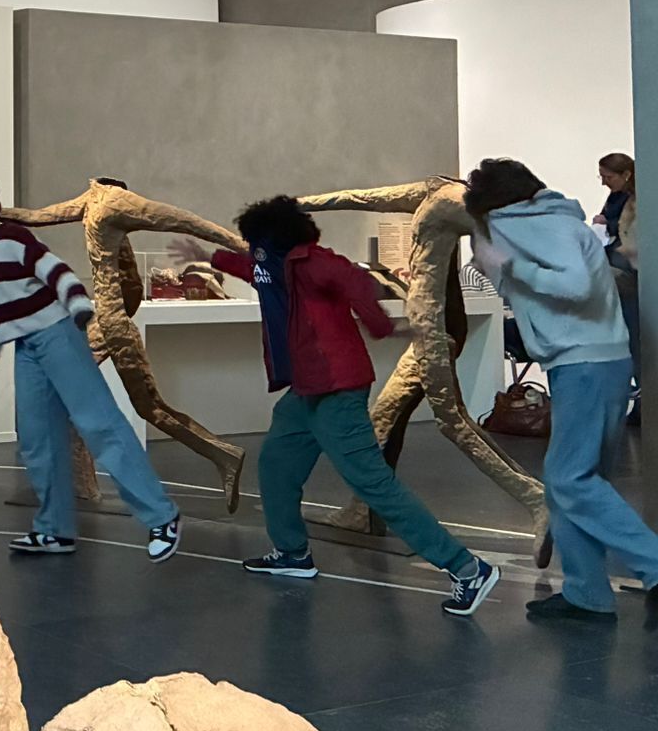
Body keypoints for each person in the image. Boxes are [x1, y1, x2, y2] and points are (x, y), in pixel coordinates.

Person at [172, 198, 500, 617]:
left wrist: (382, 326)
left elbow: (356, 281)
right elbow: (252, 270)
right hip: (305, 390)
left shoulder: (316, 263)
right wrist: (210, 258)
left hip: (338, 390)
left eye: (255, 243)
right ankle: (292, 553)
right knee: (275, 466)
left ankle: (467, 568)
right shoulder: (275, 264)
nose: (252, 250)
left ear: (274, 240)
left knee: (373, 484)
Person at [466, 158, 658, 627]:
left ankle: (650, 565)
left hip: (583, 362)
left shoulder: (529, 225)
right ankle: (586, 592)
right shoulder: (556, 219)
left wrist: (508, 265)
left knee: (570, 478)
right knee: (571, 481)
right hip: (596, 359)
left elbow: (574, 285)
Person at [0, 177, 182, 561]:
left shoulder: (14, 237)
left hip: (56, 334)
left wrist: (78, 304)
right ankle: (54, 529)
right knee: (38, 439)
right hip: (26, 349)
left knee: (99, 422)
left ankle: (162, 516)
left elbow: (55, 270)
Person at [598, 153, 639, 421]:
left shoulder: (635, 200)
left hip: (630, 272)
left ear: (626, 175)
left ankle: (643, 403)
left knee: (635, 338)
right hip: (616, 265)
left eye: (608, 177)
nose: (604, 182)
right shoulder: (615, 198)